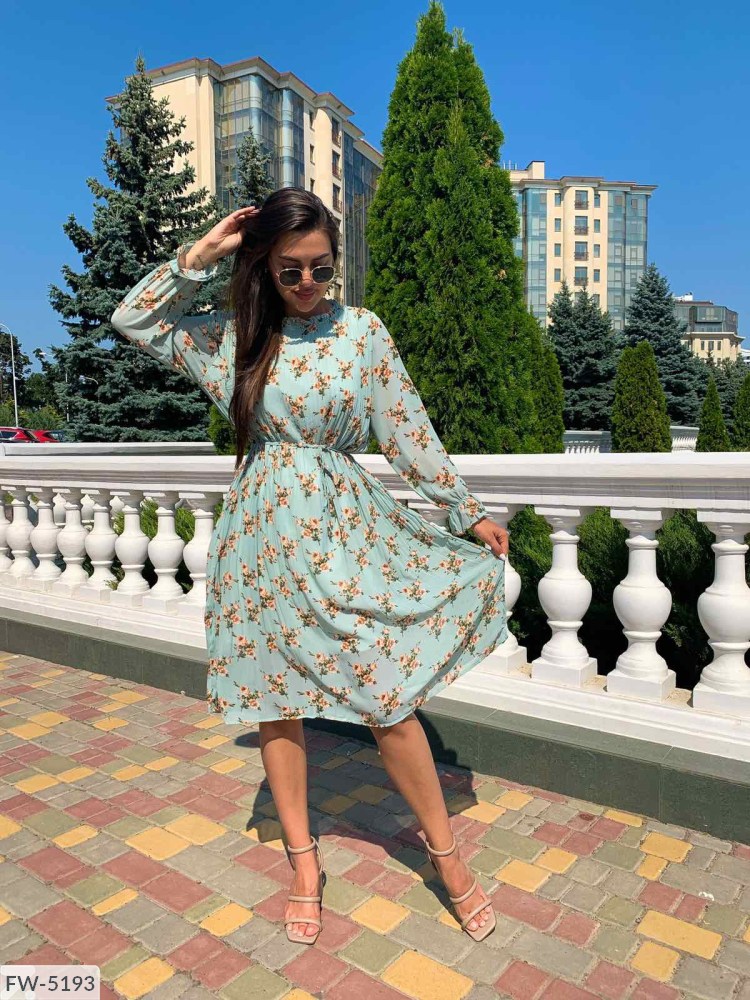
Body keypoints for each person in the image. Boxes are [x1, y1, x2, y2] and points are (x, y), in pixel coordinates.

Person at [111, 187, 509, 945]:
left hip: (346, 535)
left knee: (386, 695)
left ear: (336, 263)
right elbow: (134, 318)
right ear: (265, 265)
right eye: (289, 269)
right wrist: (202, 254)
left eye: (320, 269)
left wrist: (465, 510)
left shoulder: (362, 332)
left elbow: (407, 429)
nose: (305, 284)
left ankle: (447, 856)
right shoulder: (236, 337)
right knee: (277, 699)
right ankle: (302, 865)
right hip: (260, 540)